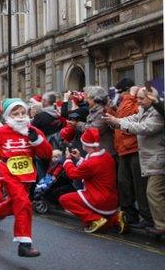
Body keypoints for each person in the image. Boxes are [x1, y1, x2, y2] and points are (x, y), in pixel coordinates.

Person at [0, 98, 52, 257]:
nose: (21, 116)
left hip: (27, 173)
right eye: (16, 114)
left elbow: (47, 154)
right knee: (23, 202)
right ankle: (24, 243)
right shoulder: (1, 131)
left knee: (16, 202)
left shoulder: (32, 130)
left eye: (23, 113)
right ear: (9, 116)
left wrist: (37, 140)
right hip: (7, 170)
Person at [103, 87, 165, 236]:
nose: (138, 101)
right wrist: (116, 121)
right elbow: (132, 118)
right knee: (151, 191)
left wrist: (118, 122)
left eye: (141, 99)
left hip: (157, 158)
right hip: (150, 158)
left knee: (152, 191)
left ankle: (160, 224)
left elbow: (144, 128)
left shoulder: (157, 113)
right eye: (137, 98)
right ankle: (158, 223)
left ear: (151, 98)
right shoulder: (145, 110)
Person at [59, 128, 126, 233]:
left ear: (85, 145)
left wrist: (67, 160)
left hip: (98, 199)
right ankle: (116, 217)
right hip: (112, 200)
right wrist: (79, 158)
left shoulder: (92, 162)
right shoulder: (107, 156)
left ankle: (95, 219)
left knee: (64, 199)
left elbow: (73, 174)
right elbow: (91, 171)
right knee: (104, 218)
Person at [110, 82, 153, 228]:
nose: (120, 96)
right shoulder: (124, 102)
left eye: (122, 92)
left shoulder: (134, 102)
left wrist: (131, 96)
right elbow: (118, 119)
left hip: (135, 149)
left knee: (139, 185)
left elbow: (126, 115)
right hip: (123, 149)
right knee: (124, 183)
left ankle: (147, 217)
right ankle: (130, 214)